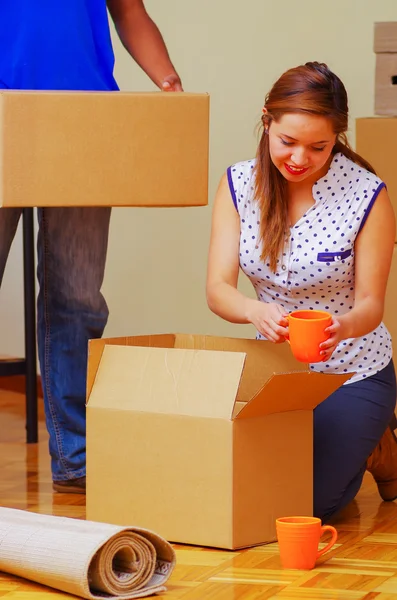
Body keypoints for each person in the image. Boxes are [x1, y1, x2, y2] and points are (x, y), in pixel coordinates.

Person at [0, 0, 182, 494]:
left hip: (85, 118)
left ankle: (76, 458)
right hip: (2, 110)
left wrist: (168, 83)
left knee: (77, 298)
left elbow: (128, 10)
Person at [206, 61, 397, 521]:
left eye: (319, 147)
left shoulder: (367, 195)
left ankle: (375, 444)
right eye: (287, 141)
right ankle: (370, 443)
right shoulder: (238, 184)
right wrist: (254, 311)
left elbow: (371, 305)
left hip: (353, 370)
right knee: (247, 492)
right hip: (275, 375)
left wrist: (342, 325)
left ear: (338, 139)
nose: (298, 158)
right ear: (267, 121)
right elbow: (217, 289)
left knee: (305, 506)